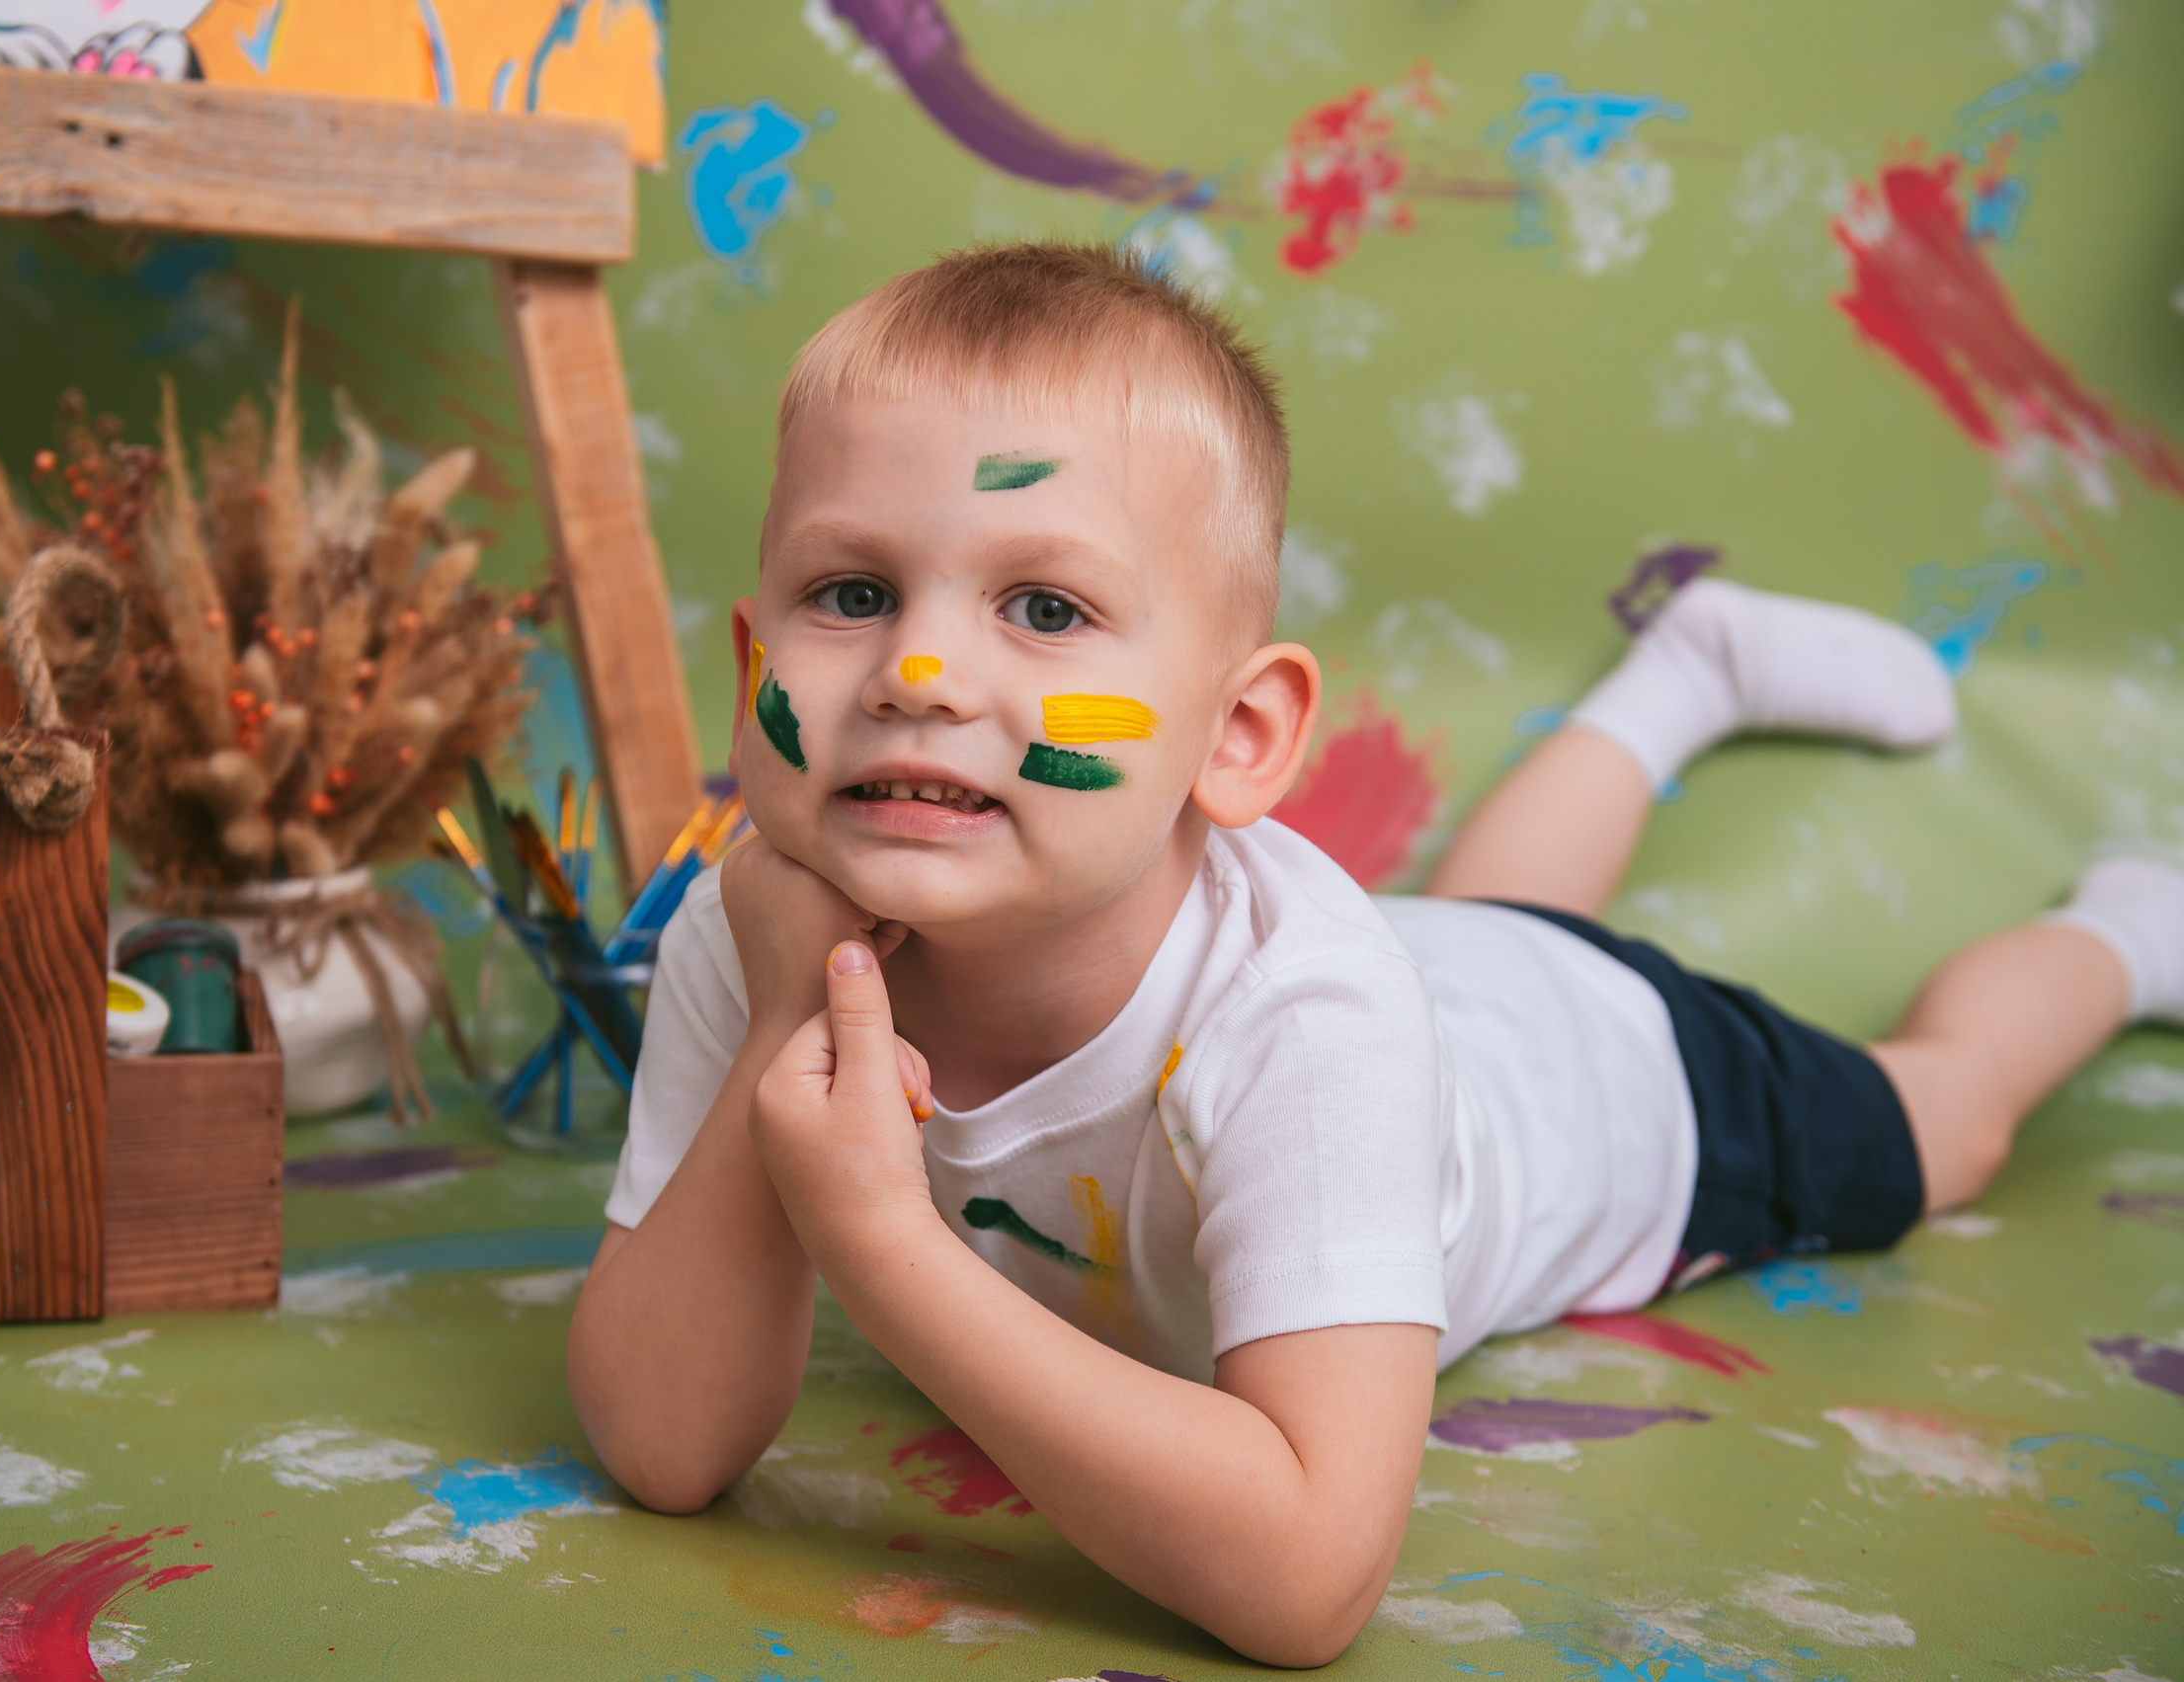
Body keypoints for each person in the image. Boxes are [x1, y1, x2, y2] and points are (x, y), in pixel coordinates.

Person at [564, 241, 2183, 1666]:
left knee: (1943, 1115)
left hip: (1621, 1083)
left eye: (1046, 611)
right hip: (1450, 969)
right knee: (1491, 922)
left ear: (1242, 734)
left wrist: (883, 1250)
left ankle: (2117, 933)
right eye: (853, 591)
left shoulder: (1314, 1021)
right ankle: (1682, 675)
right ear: (753, 666)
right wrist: (789, 1011)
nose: (918, 669)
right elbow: (664, 1444)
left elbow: (1308, 1584)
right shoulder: (763, 914)